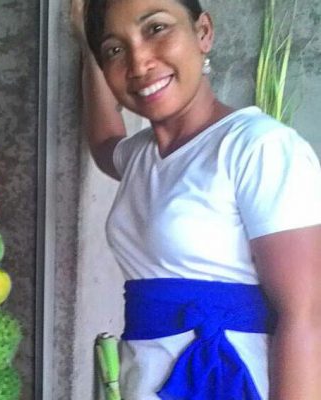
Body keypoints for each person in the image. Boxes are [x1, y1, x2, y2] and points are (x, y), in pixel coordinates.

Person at [72, 0, 321, 398]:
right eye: (115, 50)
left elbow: (306, 316)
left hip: (224, 380)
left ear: (203, 32)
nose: (138, 64)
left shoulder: (258, 147)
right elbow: (105, 146)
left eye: (156, 29)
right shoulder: (142, 155)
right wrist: (87, 51)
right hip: (146, 379)